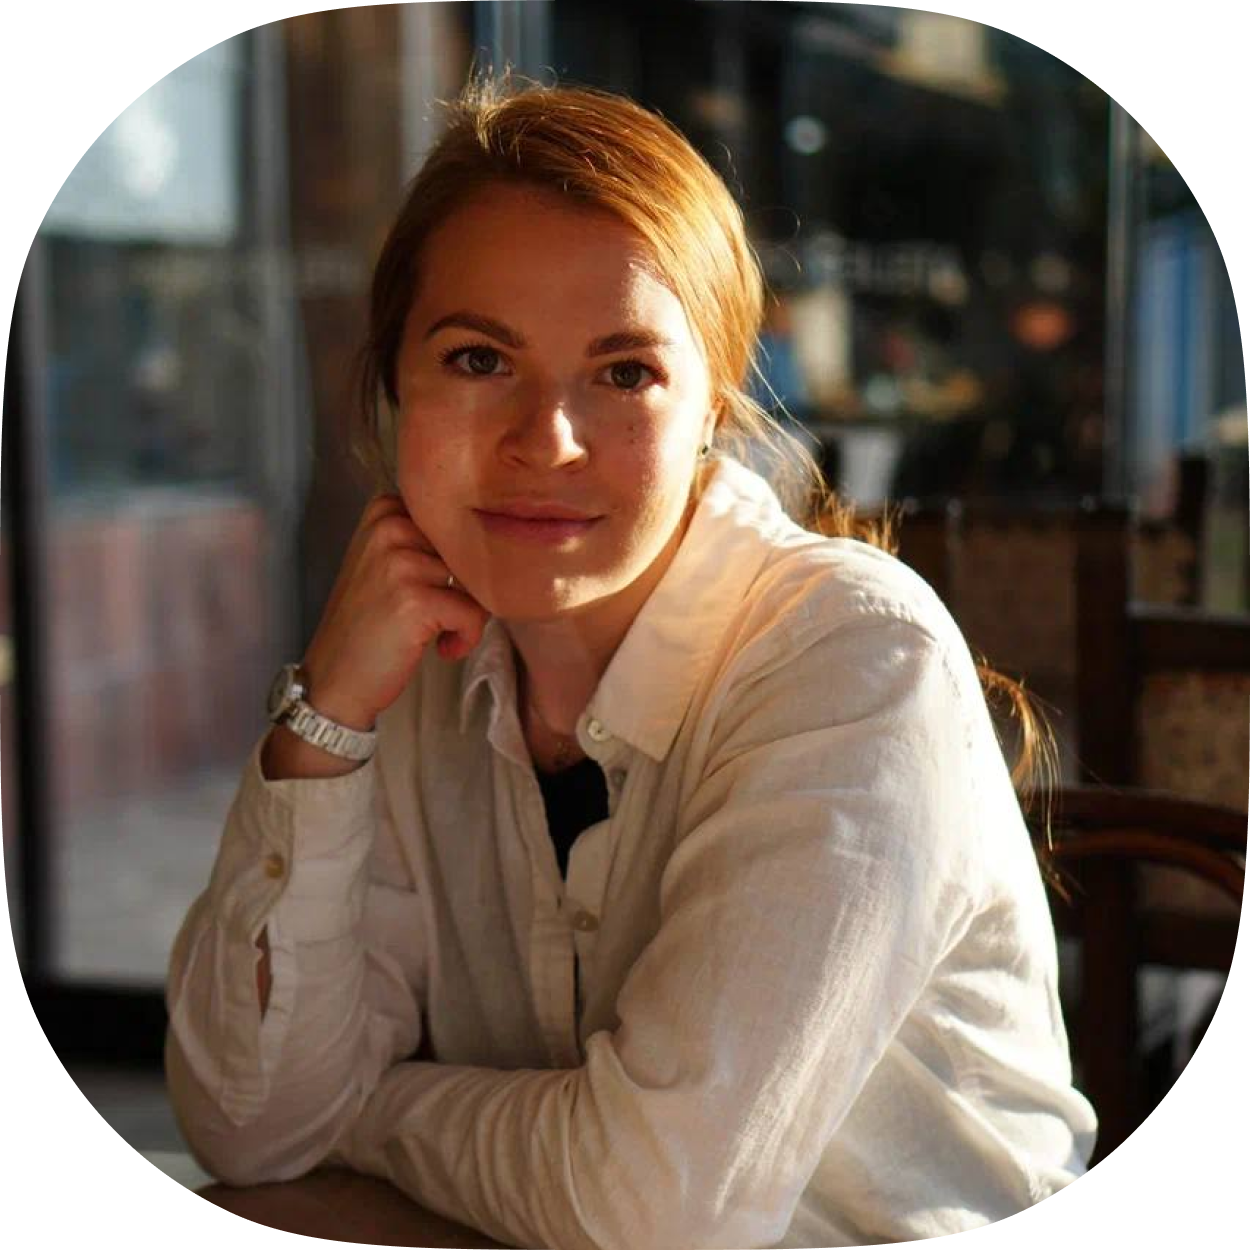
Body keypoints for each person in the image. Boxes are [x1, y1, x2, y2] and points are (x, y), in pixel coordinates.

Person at [164, 70, 1097, 1249]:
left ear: (712, 406)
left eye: (622, 373)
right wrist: (325, 720)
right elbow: (250, 1127)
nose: (544, 440)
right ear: (393, 384)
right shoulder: (411, 657)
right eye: (477, 359)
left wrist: (370, 1109)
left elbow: (653, 1211)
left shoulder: (855, 655)